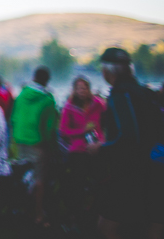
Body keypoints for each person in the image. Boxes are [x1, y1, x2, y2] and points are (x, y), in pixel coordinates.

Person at [89, 47, 164, 239]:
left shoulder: (120, 95)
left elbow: (129, 138)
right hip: (156, 168)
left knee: (107, 227)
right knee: (153, 226)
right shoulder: (144, 92)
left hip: (130, 172)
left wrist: (101, 148)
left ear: (106, 72)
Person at [10, 65, 57, 226]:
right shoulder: (48, 99)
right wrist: (50, 147)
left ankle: (21, 209)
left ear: (34, 77)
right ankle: (37, 214)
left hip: (20, 141)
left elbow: (14, 117)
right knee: (39, 179)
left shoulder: (22, 94)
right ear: (47, 80)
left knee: (23, 177)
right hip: (39, 144)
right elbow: (50, 127)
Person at [59, 75, 106, 231]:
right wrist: (82, 131)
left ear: (89, 88)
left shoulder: (98, 104)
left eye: (84, 87)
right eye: (79, 88)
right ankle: (77, 216)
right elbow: (64, 131)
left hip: (97, 148)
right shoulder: (69, 107)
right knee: (77, 185)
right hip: (78, 150)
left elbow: (109, 120)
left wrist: (104, 138)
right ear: (74, 90)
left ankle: (96, 214)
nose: (82, 91)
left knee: (100, 183)